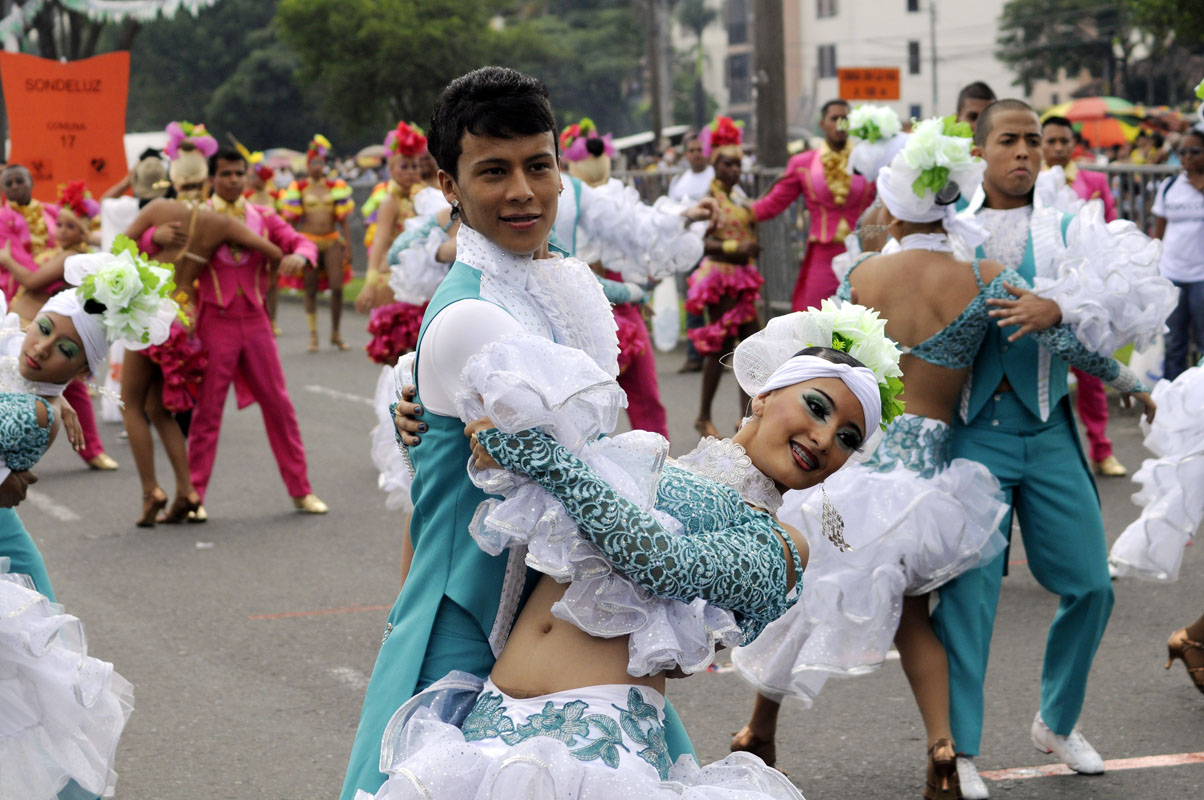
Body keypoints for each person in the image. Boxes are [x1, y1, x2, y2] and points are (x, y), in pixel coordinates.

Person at [730, 118, 1152, 800]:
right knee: (918, 614)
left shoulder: (862, 273)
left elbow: (826, 357)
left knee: (805, 593)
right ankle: (944, 744)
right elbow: (1069, 345)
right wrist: (1134, 382)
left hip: (863, 465)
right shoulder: (983, 276)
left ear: (896, 206)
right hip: (931, 476)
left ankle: (761, 727)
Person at [361, 300, 900, 800]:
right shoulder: (642, 459)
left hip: (599, 752)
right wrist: (431, 438)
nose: (826, 438)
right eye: (817, 408)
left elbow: (663, 563)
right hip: (488, 725)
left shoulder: (780, 544)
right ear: (763, 395)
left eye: (848, 437)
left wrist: (549, 461)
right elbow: (499, 520)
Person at [341, 66, 705, 800]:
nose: (523, 191)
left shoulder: (542, 283)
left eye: (539, 166)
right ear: (449, 185)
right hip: (473, 625)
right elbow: (586, 478)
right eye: (493, 171)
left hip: (552, 614)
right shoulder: (477, 312)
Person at [933, 99, 1172, 798]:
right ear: (979, 151)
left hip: (1046, 427)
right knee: (970, 595)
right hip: (973, 432)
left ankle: (1057, 721)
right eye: (1009, 140)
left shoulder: (1065, 228)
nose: (1024, 152)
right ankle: (961, 747)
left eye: (1033, 141)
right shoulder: (950, 230)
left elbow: (1087, 326)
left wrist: (1112, 362)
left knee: (1091, 584)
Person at [0, 248, 178, 799]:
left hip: (6, 545)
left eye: (65, 350)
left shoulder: (32, 414)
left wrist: (51, 403)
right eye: (43, 330)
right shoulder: (15, 350)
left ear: (82, 373)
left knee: (39, 671)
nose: (40, 348)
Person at [136, 147, 328, 517]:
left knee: (280, 407)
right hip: (213, 323)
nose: (233, 180)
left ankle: (301, 490)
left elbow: (300, 241)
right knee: (206, 413)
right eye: (225, 174)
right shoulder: (195, 215)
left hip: (256, 323)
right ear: (212, 179)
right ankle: (195, 497)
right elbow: (146, 243)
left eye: (239, 173)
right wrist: (155, 236)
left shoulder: (264, 216)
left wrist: (302, 256)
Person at [121, 129, 283, 527]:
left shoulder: (159, 209)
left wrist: (152, 237)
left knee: (133, 405)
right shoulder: (218, 223)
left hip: (148, 312)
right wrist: (264, 287)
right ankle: (187, 490)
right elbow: (273, 252)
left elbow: (119, 250)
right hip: (180, 320)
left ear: (174, 179)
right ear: (206, 180)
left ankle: (151, 490)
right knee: (160, 410)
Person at [0, 181, 121, 474]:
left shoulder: (71, 258)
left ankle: (92, 449)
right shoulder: (56, 252)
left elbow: (32, 281)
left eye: (70, 227)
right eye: (60, 225)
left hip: (50, 329)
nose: (62, 231)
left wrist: (6, 260)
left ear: (83, 233)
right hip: (30, 326)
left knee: (67, 391)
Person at [561, 119, 669, 439]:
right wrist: (636, 291)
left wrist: (640, 288)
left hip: (625, 308)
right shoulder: (565, 205)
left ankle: (658, 462)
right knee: (587, 412)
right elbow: (581, 275)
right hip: (585, 314)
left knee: (646, 399)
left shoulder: (616, 201)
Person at [1039, 114, 1126, 477]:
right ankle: (1051, 462)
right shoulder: (1030, 183)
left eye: (1064, 141)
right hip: (1043, 293)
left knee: (1091, 373)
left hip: (1086, 293)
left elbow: (1110, 230)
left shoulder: (1094, 181)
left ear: (1074, 145)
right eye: (1051, 141)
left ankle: (1101, 449)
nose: (1058, 148)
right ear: (1041, 144)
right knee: (1042, 377)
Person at [752, 99, 876, 311]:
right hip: (823, 253)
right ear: (822, 124)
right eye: (834, 118)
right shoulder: (803, 163)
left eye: (845, 119)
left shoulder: (870, 161)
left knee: (866, 316)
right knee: (816, 316)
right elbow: (773, 203)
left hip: (863, 252)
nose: (840, 124)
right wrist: (736, 212)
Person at [688, 116, 762, 437]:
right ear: (715, 165)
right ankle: (703, 416)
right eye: (728, 164)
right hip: (720, 279)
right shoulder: (709, 199)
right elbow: (699, 242)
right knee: (721, 349)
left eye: (738, 164)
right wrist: (735, 246)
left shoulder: (740, 197)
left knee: (751, 348)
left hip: (743, 279)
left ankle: (746, 416)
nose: (734, 170)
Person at [280, 134, 355, 352]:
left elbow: (343, 220)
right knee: (310, 289)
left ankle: (335, 333)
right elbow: (291, 221)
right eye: (313, 163)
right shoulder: (299, 187)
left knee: (337, 288)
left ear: (324, 164)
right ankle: (313, 335)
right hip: (308, 243)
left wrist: (348, 246)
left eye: (320, 163)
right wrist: (292, 247)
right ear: (307, 165)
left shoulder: (335, 186)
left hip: (331, 240)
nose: (317, 167)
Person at [1150, 127, 1204, 381]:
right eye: (1182, 152)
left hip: (1201, 276)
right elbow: (1159, 230)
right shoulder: (1169, 186)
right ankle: (1172, 395)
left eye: (1195, 151)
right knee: (1174, 344)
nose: (1187, 157)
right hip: (1172, 274)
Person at [358, 121, 429, 314]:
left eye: (415, 166)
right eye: (404, 166)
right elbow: (379, 241)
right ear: (391, 170)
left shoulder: (424, 197)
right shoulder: (390, 201)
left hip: (420, 277)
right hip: (393, 276)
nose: (410, 172)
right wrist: (370, 282)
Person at [670, 132, 715, 374]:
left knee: (715, 302)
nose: (697, 154)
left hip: (713, 247)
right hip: (688, 249)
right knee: (692, 302)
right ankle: (694, 355)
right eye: (692, 150)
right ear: (686, 154)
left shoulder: (716, 176)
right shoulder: (679, 182)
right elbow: (671, 213)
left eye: (700, 150)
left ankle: (717, 354)